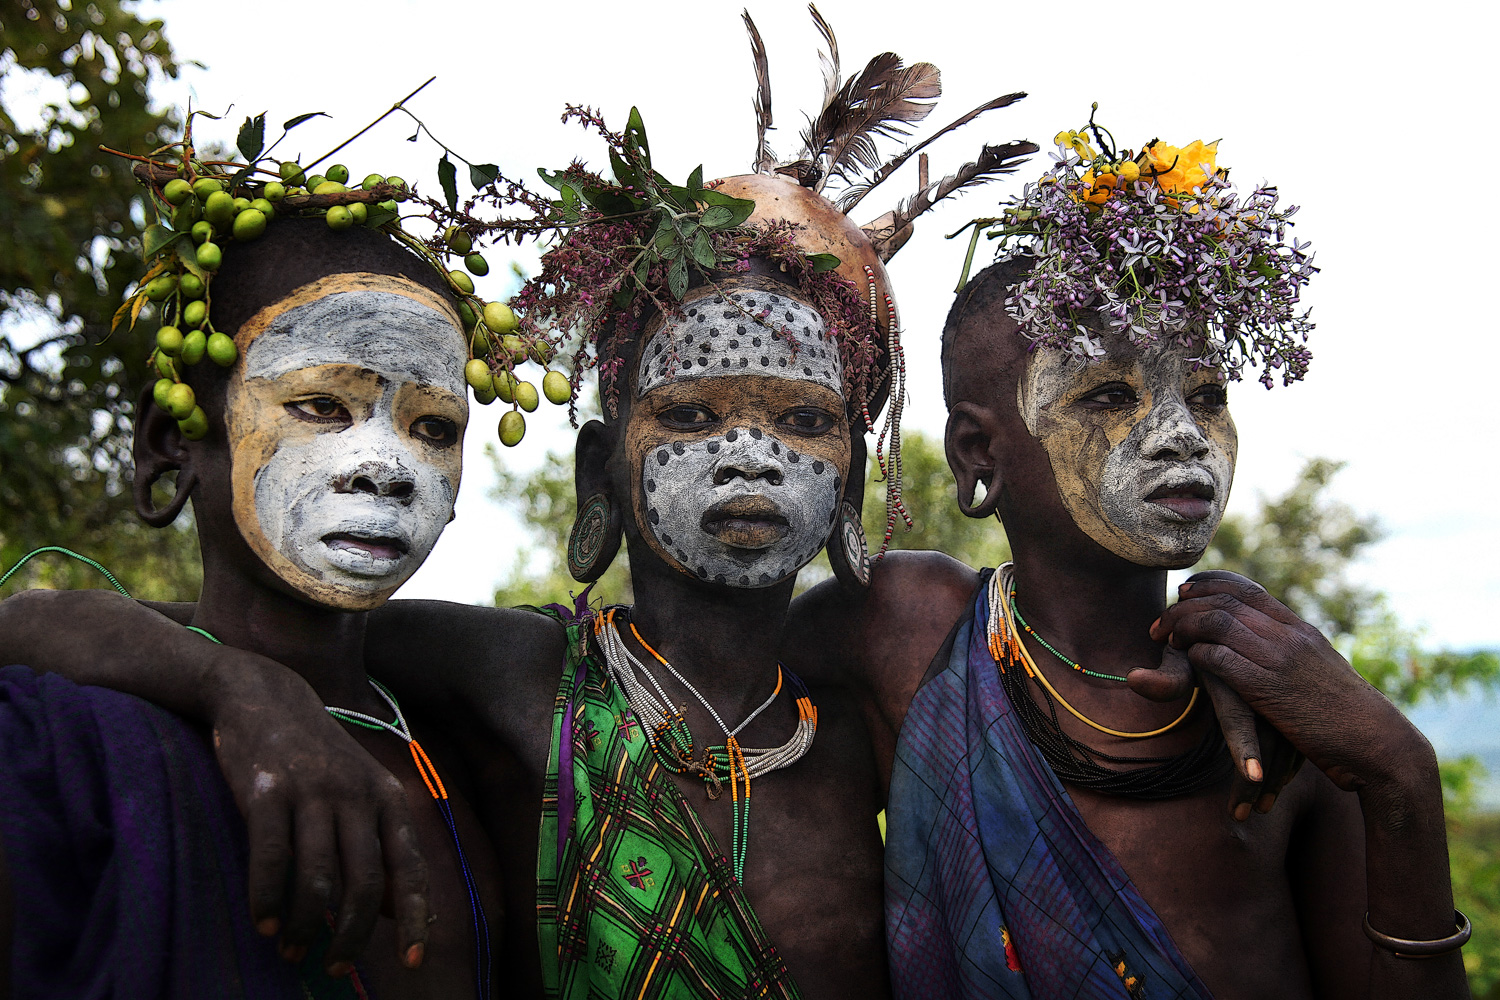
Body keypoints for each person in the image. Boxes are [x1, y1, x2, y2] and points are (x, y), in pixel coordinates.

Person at [0, 15, 1037, 997]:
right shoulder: (517, 679)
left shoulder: (874, 696)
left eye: (803, 423)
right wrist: (239, 689)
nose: (749, 458)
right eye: (689, 415)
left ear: (854, 479)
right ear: (599, 476)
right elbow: (54, 624)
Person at [784, 126, 1470, 998]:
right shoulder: (902, 631)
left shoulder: (1286, 701)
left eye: (1208, 396)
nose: (1182, 436)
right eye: (1110, 395)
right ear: (975, 454)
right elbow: (701, 696)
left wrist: (1397, 769)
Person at [0, 207, 507, 997]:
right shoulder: (51, 744)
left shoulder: (482, 747)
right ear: (173, 441)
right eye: (319, 406)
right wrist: (238, 686)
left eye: (433, 427)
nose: (387, 467)